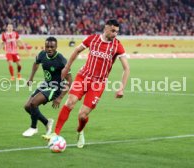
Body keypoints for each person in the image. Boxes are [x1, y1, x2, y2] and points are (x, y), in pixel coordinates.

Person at [43, 19, 130, 148]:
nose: (115, 34)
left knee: (82, 115)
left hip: (98, 83)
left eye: (117, 32)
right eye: (113, 31)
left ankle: (79, 131)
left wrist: (121, 88)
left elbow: (126, 68)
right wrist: (67, 67)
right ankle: (55, 133)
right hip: (83, 77)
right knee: (70, 102)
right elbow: (77, 50)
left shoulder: (117, 46)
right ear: (106, 28)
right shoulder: (92, 39)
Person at [22, 37, 72, 137]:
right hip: (46, 84)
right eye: (47, 46)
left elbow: (70, 81)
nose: (49, 49)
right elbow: (36, 63)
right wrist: (31, 78)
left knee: (34, 103)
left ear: (56, 47)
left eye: (52, 47)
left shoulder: (61, 60)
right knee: (27, 107)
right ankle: (47, 123)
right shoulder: (42, 54)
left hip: (56, 88)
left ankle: (33, 127)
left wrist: (60, 98)